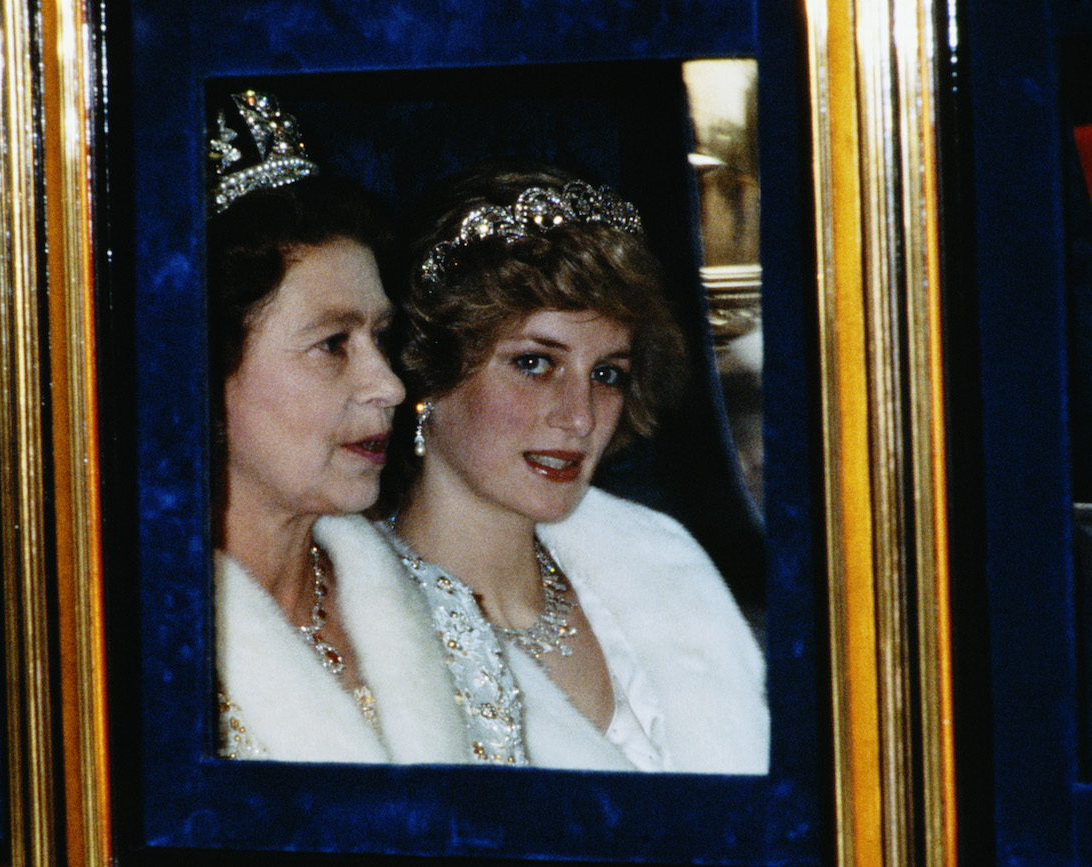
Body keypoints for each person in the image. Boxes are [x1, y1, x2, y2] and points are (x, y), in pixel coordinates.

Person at [381, 160, 769, 772]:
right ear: (428, 371)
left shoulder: (662, 568)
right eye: (535, 364)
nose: (581, 417)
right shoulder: (368, 633)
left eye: (606, 374)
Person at [208, 91, 476, 763]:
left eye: (380, 338)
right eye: (333, 343)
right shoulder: (125, 655)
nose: (388, 384)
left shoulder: (441, 610)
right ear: (202, 373)